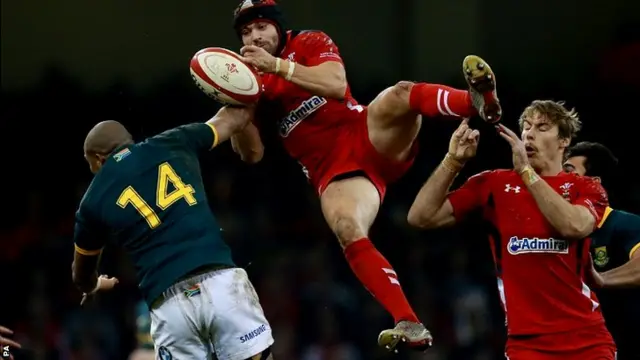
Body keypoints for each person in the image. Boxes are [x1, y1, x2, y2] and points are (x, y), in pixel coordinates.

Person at [222, 0, 502, 351]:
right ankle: (408, 321)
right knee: (346, 228)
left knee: (401, 93)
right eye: (246, 32)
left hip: (364, 131)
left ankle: (477, 103)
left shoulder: (308, 42)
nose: (254, 36)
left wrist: (276, 66)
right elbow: (252, 155)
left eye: (261, 27)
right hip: (335, 172)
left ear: (278, 28)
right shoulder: (250, 81)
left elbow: (337, 85)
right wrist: (236, 102)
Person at [407, 100, 616, 359]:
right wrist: (453, 161)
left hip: (587, 340)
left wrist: (526, 172)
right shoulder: (494, 184)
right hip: (526, 345)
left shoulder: (585, 187)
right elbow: (420, 217)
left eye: (542, 127)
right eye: (526, 127)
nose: (529, 133)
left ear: (564, 141)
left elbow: (573, 225)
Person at [71, 107, 276, 360]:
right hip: (223, 285)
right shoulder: (173, 141)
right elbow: (232, 119)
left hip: (170, 306)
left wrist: (93, 285)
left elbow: (81, 275)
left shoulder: (91, 202)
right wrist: (240, 89)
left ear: (99, 159)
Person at [564, 141, 640, 360]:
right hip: (576, 344)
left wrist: (600, 279)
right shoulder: (562, 230)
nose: (562, 180)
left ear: (594, 183)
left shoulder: (625, 224)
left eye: (570, 172)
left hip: (625, 341)